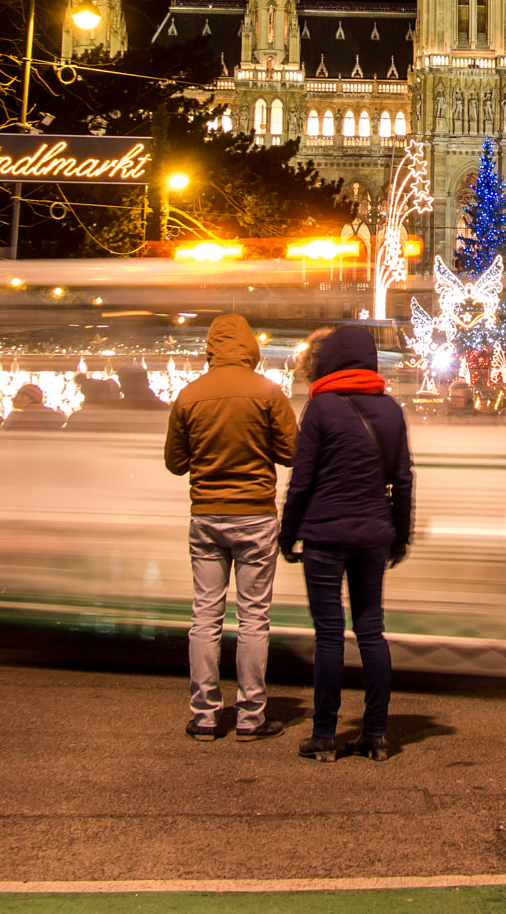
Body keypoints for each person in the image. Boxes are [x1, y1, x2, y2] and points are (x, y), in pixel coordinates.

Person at [280, 324, 414, 762]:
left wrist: (288, 532)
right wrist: (399, 537)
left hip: (323, 534)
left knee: (329, 635)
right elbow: (402, 480)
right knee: (371, 630)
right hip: (374, 534)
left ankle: (324, 735)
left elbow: (302, 480)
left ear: (331, 360)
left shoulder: (320, 409)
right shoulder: (392, 411)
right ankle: (375, 733)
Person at [165, 312, 298, 741]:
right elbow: (292, 452)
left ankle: (204, 715)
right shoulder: (268, 392)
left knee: (205, 616)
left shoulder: (189, 395)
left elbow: (175, 462)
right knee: (253, 617)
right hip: (256, 515)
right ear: (250, 349)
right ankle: (250, 716)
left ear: (210, 347)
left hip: (205, 514)